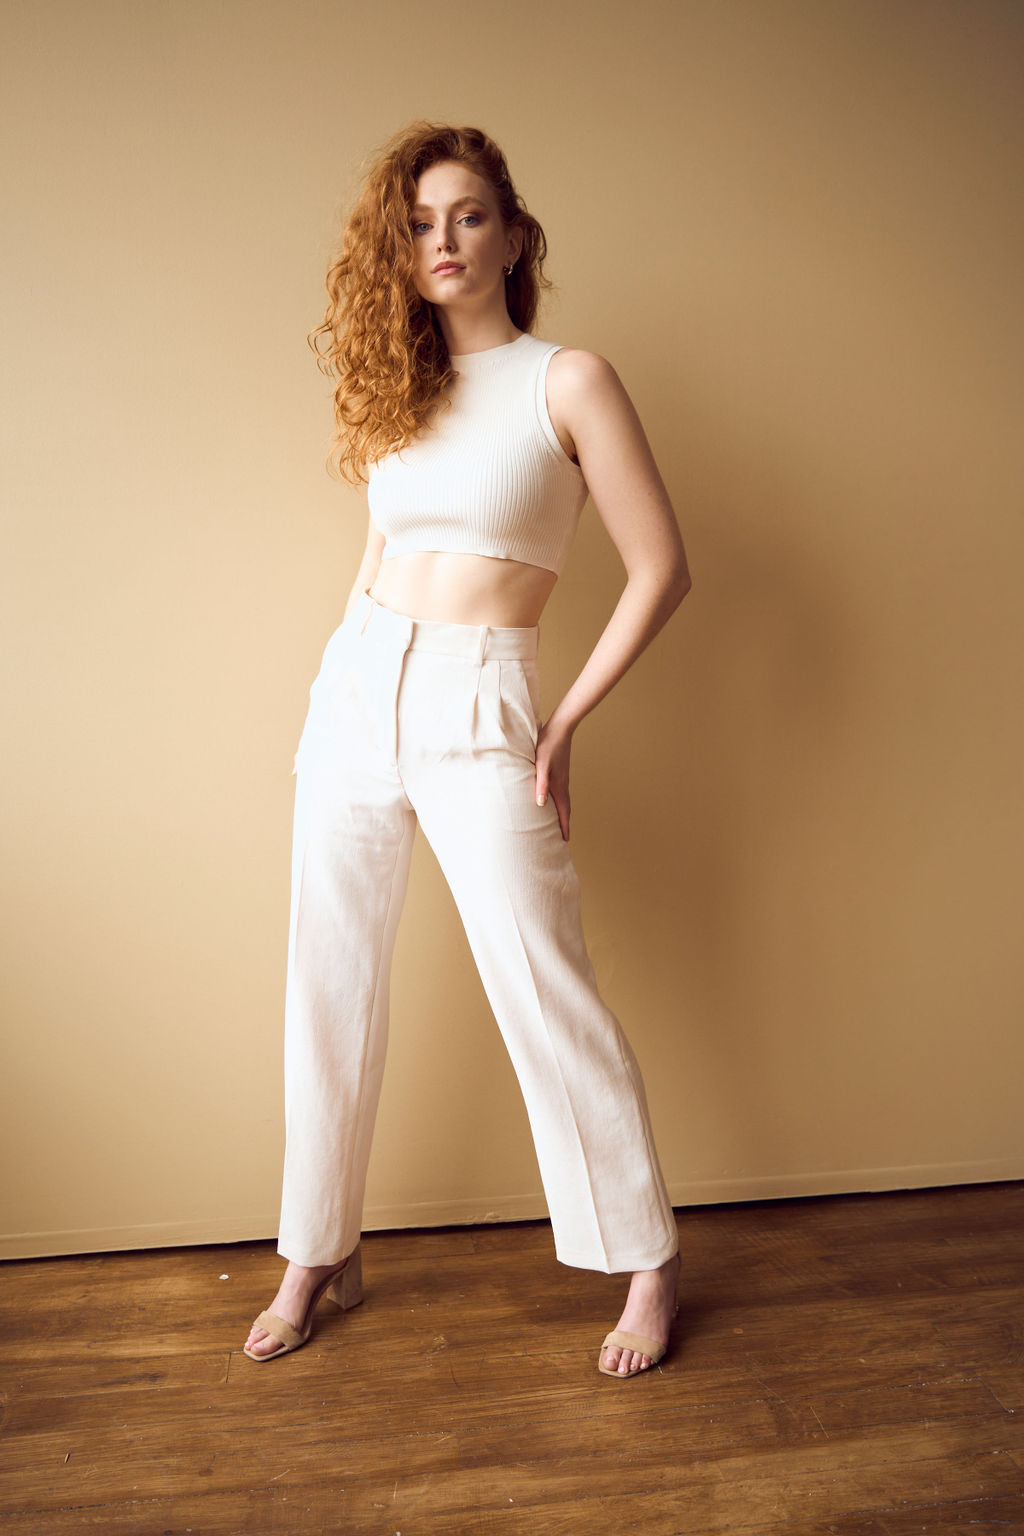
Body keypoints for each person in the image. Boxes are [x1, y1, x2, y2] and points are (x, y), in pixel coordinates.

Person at [243, 121, 691, 1378]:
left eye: (468, 216)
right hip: (357, 686)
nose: (442, 241)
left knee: (545, 983)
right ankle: (317, 1253)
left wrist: (561, 721)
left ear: (512, 235)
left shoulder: (568, 381)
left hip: (480, 695)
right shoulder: (405, 389)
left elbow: (661, 569)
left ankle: (647, 1260)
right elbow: (379, 556)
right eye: (418, 225)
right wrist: (339, 688)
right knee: (327, 980)